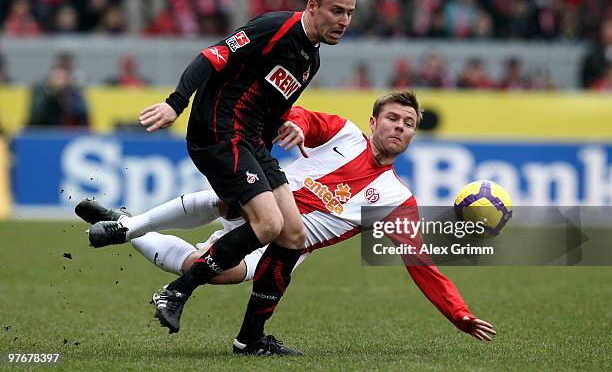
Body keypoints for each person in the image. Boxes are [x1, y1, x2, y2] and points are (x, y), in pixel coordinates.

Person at [78, 93, 496, 355]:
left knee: (201, 269)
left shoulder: (397, 201)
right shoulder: (345, 134)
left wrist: (458, 314)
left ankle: (126, 223)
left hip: (283, 247)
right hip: (266, 203)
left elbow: (421, 264)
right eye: (392, 119)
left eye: (408, 124)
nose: (399, 127)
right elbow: (306, 119)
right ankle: (130, 228)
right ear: (374, 122)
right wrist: (293, 123)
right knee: (230, 201)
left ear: (412, 136)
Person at [89, 0, 356, 355]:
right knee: (268, 224)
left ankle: (250, 338)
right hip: (219, 129)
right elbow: (211, 57)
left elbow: (271, 108)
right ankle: (177, 291)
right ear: (312, 6)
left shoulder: (309, 59)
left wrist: (286, 128)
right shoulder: (274, 27)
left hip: (252, 142)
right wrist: (174, 103)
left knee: (293, 236)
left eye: (349, 13)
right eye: (337, 10)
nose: (344, 21)